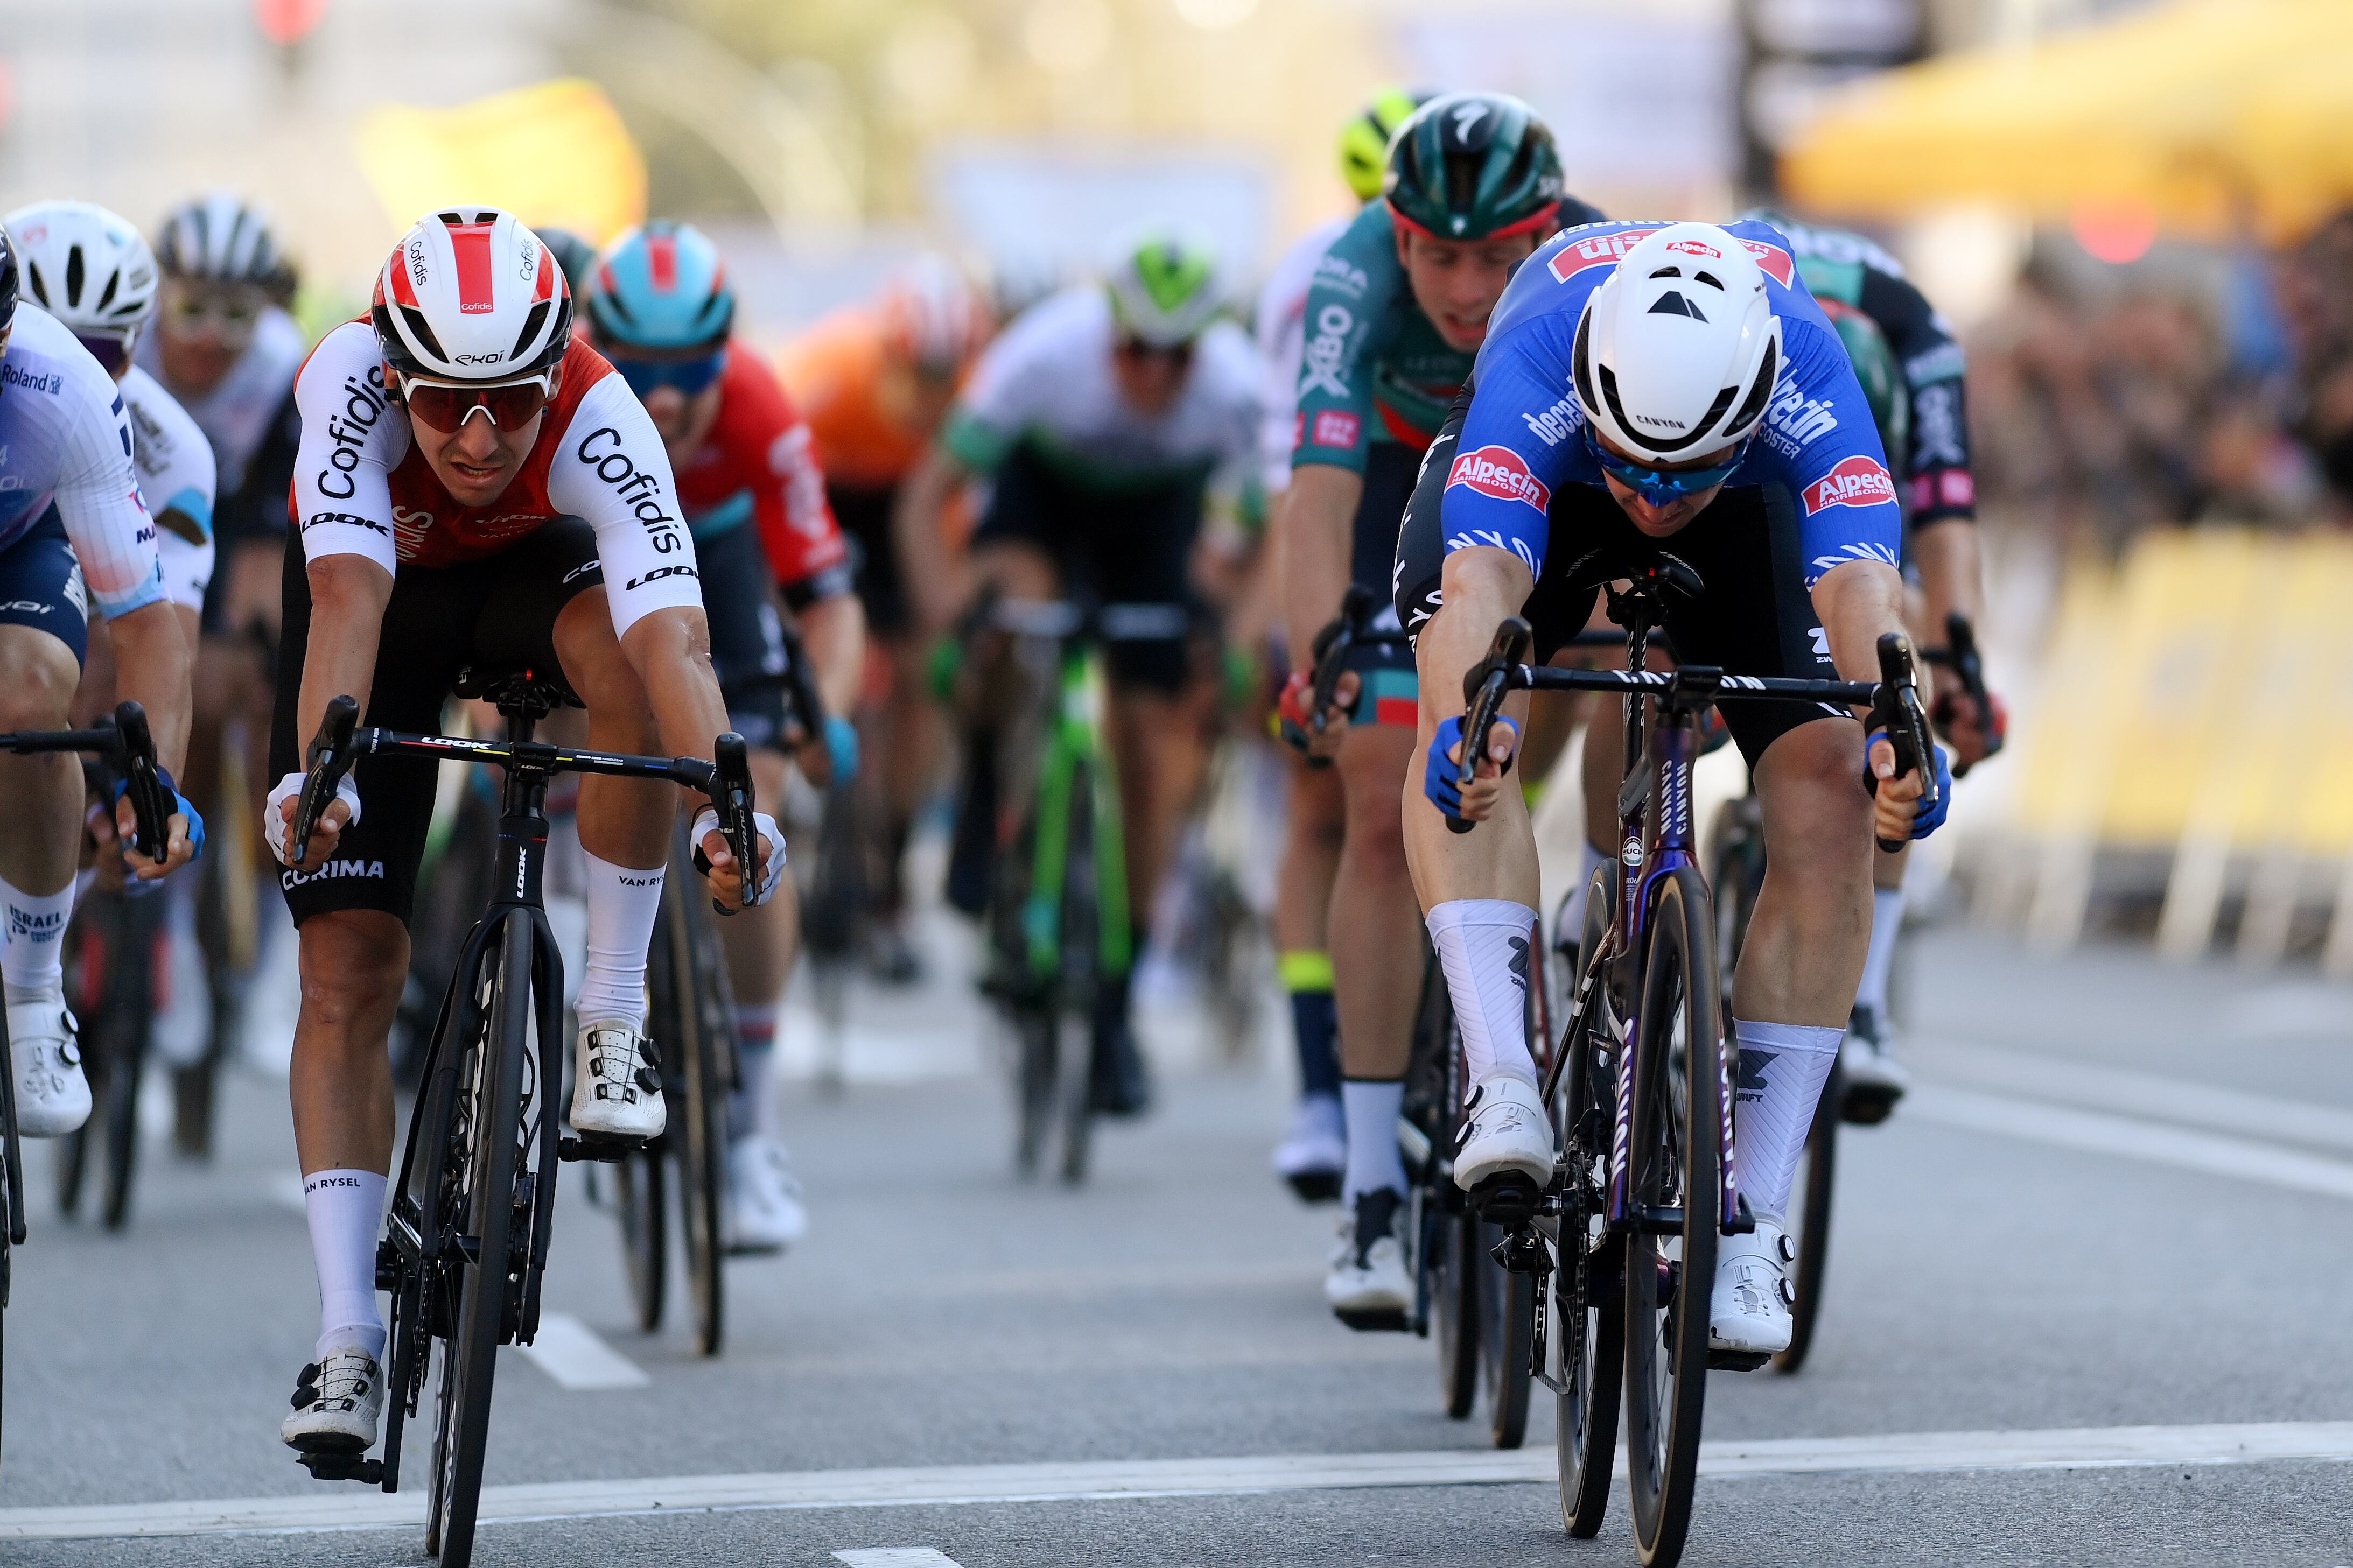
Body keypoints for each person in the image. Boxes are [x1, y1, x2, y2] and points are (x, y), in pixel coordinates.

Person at [269, 209, 781, 1459]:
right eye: (445, 403)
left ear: (556, 372)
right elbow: (345, 598)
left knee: (622, 660)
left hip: (524, 592)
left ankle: (611, 1021)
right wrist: (318, 775)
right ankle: (348, 1340)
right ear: (395, 372)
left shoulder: (608, 415)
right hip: (378, 610)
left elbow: (677, 639)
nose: (482, 434)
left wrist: (731, 797)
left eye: (511, 400)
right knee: (346, 975)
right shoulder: (339, 381)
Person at [1393, 219, 1947, 1358]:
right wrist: (1472, 724)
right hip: (1553, 473)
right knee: (1467, 713)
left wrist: (1899, 738)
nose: (1650, 497)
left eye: (1675, 473)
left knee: (1834, 783)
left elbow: (1862, 601)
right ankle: (1501, 1072)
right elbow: (1482, 575)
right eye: (1635, 468)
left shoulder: (1808, 368)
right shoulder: (1547, 346)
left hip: (1752, 506)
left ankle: (1751, 1217)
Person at [1274, 92, 1601, 1322]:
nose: (1467, 288)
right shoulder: (1351, 279)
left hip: (1547, 493)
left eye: (1497, 255)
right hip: (1393, 498)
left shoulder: (1594, 263)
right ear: (1395, 235)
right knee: (1377, 793)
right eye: (1438, 255)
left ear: (1549, 228)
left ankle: (1607, 912)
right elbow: (1314, 488)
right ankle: (1368, 1190)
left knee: (1596, 683)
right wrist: (1324, 652)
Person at [899, 227, 1263, 1116]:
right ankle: (989, 782)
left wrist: (1242, 638)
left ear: (1202, 348)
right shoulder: (1044, 356)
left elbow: (1279, 528)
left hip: (1152, 522)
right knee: (1013, 612)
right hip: (1042, 501)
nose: (1151, 372)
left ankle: (1112, 1007)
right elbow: (923, 497)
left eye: (1174, 355)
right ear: (1107, 331)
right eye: (1135, 349)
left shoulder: (1238, 387)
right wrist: (950, 615)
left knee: (1151, 747)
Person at [586, 219, 866, 1252]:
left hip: (722, 587)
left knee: (761, 815)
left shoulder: (757, 407)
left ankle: (752, 1133)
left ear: (724, 361)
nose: (663, 399)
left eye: (689, 373)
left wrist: (820, 713)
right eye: (640, 371)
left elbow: (827, 601)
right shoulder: (570, 403)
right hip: (604, 592)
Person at [1744, 210, 2003, 1120]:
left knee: (1902, 655)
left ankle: (1865, 992)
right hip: (1727, 462)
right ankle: (1606, 886)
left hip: (1850, 491)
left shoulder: (1914, 331)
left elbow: (1945, 509)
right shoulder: (1740, 306)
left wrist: (1960, 662)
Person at [1255, 85, 1433, 1206]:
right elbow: (1300, 487)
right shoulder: (1328, 277)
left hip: (1495, 475)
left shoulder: (1533, 270)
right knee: (1343, 796)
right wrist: (1313, 650)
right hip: (1357, 483)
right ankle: (1327, 1088)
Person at [0, 228, 204, 1137]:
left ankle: (34, 993)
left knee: (29, 697)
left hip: (22, 549)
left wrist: (156, 786)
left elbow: (149, 626)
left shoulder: (63, 388)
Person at [778, 255, 989, 983]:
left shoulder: (974, 395)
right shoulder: (834, 371)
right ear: (889, 351)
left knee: (920, 673)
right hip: (829, 493)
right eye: (916, 372)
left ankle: (892, 864)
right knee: (809, 623)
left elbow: (947, 524)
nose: (929, 392)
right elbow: (777, 489)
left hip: (909, 502)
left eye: (944, 373)